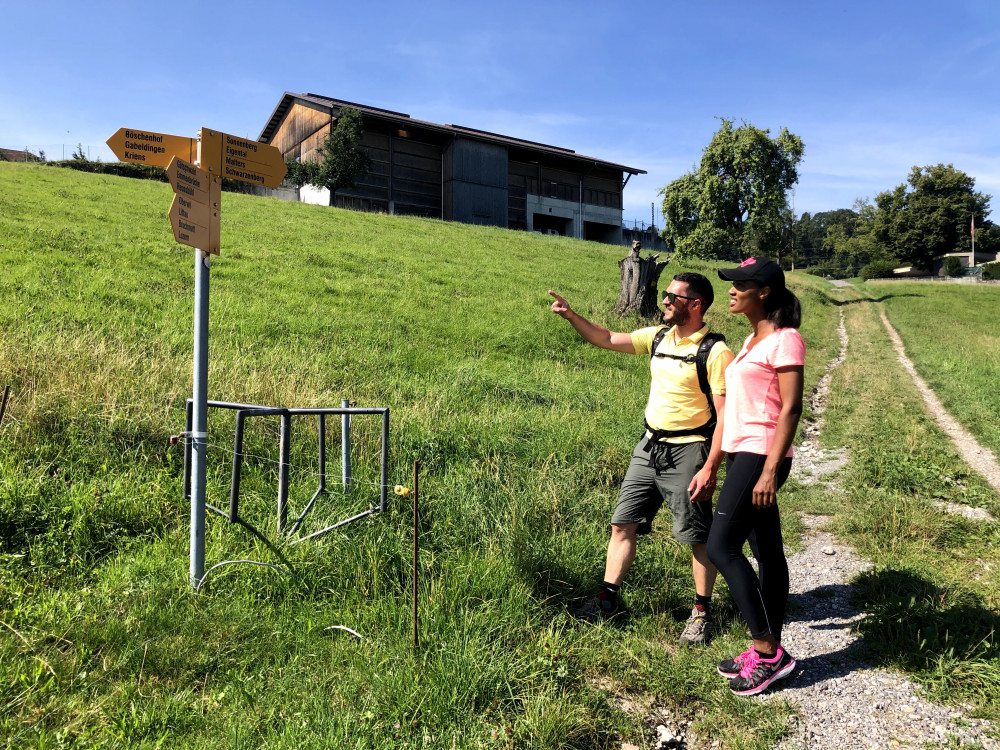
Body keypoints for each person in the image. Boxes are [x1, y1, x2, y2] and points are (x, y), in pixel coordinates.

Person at [548, 273, 734, 644]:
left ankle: (701, 613)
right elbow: (605, 338)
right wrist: (572, 316)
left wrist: (711, 466)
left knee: (696, 535)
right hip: (648, 447)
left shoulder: (716, 352)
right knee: (622, 524)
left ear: (695, 305)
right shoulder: (659, 337)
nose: (664, 301)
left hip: (690, 450)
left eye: (672, 297)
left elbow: (727, 416)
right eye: (664, 295)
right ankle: (607, 599)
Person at [707, 256, 805, 696]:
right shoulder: (751, 340)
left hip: (761, 454)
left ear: (763, 292)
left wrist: (769, 470)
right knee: (766, 549)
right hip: (742, 452)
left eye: (739, 284)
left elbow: (790, 408)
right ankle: (770, 648)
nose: (730, 290)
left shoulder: (785, 340)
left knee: (721, 546)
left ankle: (767, 649)